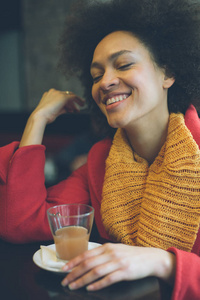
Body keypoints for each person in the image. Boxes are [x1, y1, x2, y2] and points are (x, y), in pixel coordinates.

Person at [0, 0, 200, 299]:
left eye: (124, 64)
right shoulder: (100, 163)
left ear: (167, 74)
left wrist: (165, 261)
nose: (105, 82)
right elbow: (20, 223)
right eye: (96, 75)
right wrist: (37, 120)